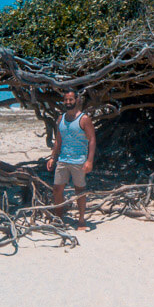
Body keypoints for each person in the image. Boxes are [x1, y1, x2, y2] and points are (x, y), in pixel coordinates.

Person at [46, 90, 96, 231]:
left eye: (71, 100)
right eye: (66, 100)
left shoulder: (84, 119)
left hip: (79, 161)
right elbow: (58, 140)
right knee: (57, 189)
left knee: (79, 190)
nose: (68, 102)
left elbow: (92, 139)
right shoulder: (60, 118)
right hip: (63, 160)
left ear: (77, 100)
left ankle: (81, 221)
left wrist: (89, 161)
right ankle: (59, 218)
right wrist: (52, 157)